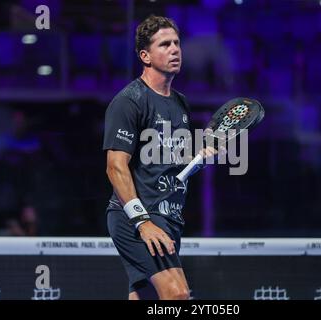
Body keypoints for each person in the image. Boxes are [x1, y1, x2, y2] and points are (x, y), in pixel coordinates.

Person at [103, 15, 215, 300]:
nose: (175, 49)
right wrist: (143, 222)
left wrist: (201, 157)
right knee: (178, 295)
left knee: (145, 298)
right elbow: (115, 167)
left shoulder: (181, 104)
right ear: (145, 56)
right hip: (137, 218)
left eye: (177, 43)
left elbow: (172, 164)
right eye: (164, 44)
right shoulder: (129, 101)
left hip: (170, 218)